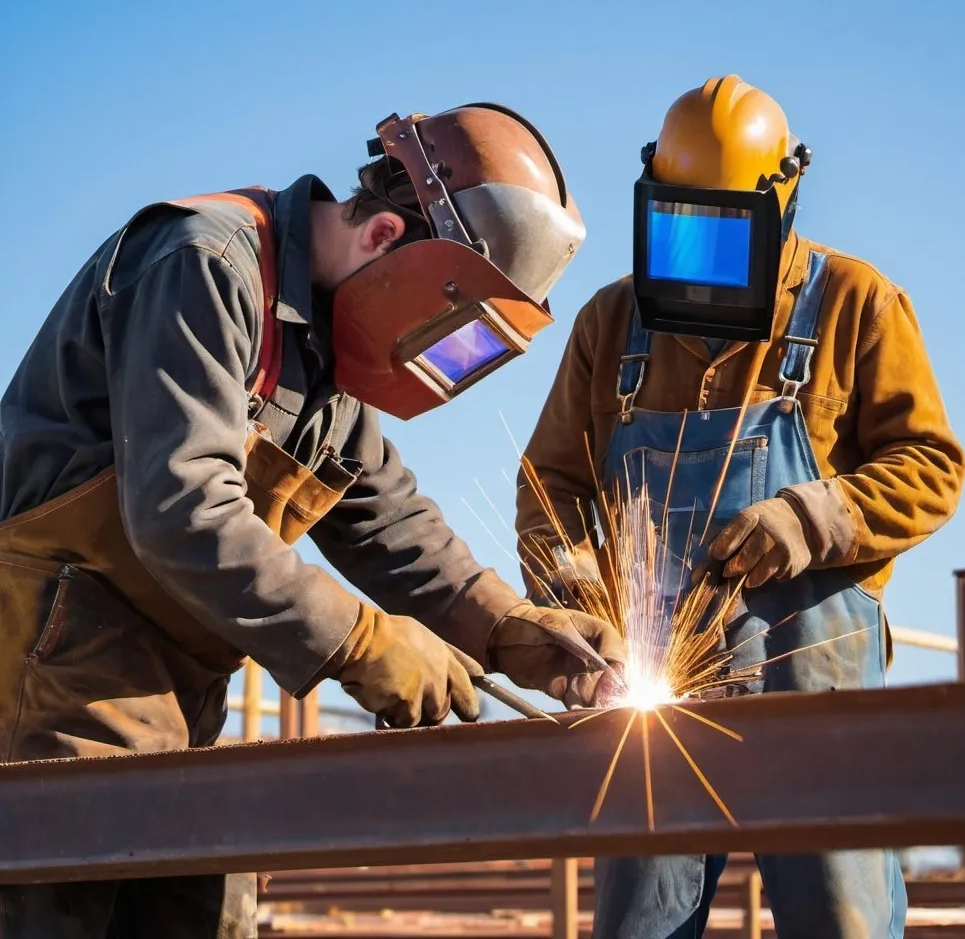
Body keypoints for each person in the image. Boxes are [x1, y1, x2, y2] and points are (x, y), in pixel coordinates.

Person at [0, 102, 626, 938]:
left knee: (209, 908)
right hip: (58, 658)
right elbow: (182, 508)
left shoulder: (325, 359)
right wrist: (363, 643)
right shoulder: (206, 264)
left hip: (180, 687)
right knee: (58, 911)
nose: (432, 361)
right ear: (382, 239)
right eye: (444, 332)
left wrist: (508, 627)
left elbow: (386, 521)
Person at [515, 75, 965, 938]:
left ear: (781, 204)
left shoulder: (856, 304)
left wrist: (809, 519)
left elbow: (931, 465)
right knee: (637, 925)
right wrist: (573, 582)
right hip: (658, 683)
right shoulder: (611, 322)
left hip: (811, 684)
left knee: (844, 920)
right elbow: (552, 485)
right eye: (680, 232)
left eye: (724, 236)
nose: (700, 263)